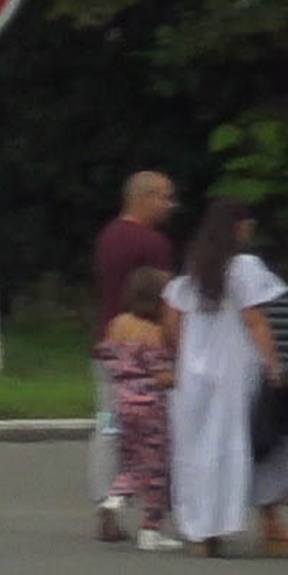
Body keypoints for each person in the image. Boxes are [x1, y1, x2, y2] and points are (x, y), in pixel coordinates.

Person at [162, 199, 288, 557]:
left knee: (200, 450)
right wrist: (274, 365)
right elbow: (255, 320)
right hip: (236, 370)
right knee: (258, 441)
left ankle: (203, 532)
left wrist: (187, 358)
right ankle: (270, 524)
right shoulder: (244, 267)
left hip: (194, 375)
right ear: (238, 226)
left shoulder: (194, 270)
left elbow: (172, 323)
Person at [90, 171, 180, 540]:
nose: (171, 206)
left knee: (109, 426)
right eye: (165, 197)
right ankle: (154, 515)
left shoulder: (108, 236)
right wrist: (174, 346)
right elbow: (169, 301)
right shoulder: (153, 243)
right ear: (143, 197)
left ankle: (106, 505)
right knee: (153, 441)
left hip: (109, 347)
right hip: (148, 353)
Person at [96, 265, 180, 549]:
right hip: (151, 408)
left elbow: (105, 354)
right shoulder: (154, 333)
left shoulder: (118, 324)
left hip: (121, 404)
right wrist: (179, 378)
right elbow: (161, 375)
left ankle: (114, 498)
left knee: (131, 462)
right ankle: (151, 530)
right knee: (156, 469)